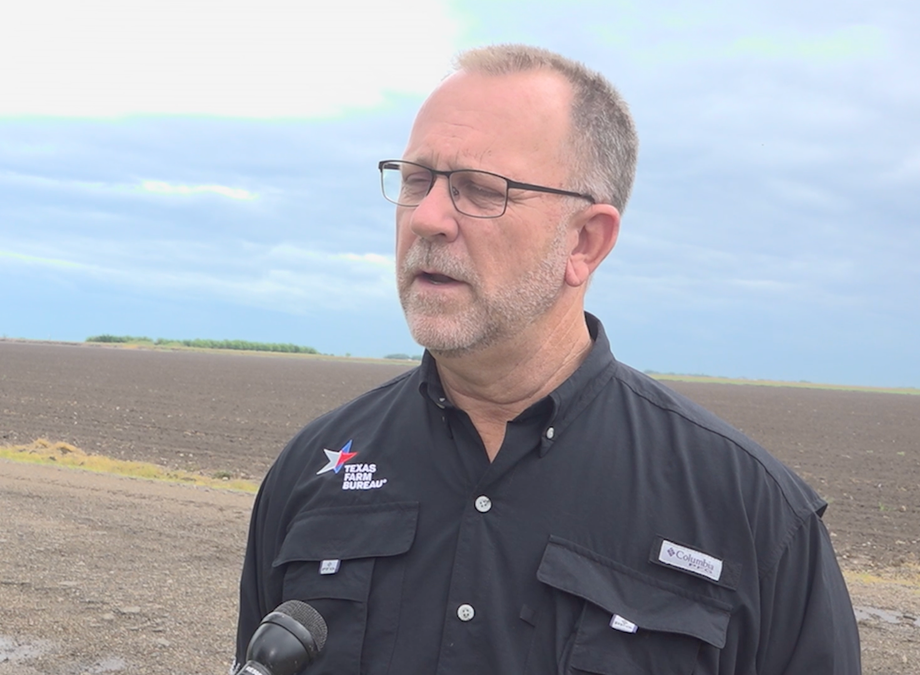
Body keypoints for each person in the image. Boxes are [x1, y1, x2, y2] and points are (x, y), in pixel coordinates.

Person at [233, 44, 861, 675]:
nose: (426, 217)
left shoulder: (753, 517)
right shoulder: (313, 472)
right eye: (416, 179)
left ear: (585, 242)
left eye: (481, 189)